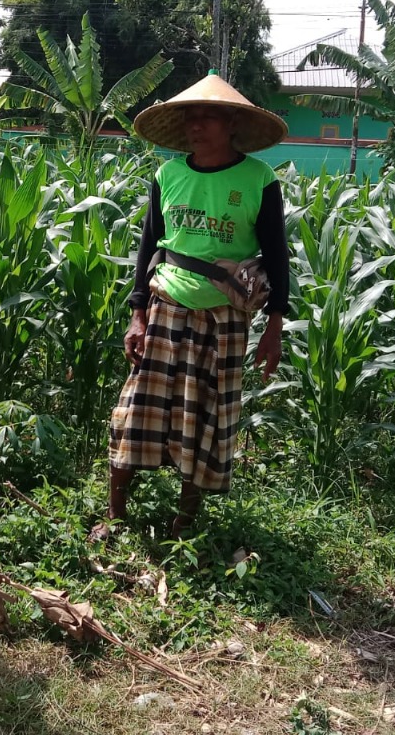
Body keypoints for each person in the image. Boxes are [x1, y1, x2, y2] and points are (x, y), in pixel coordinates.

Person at [94, 70, 291, 541]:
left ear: (231, 127)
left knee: (206, 415)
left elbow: (276, 252)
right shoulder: (168, 174)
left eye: (208, 117)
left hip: (225, 316)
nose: (196, 126)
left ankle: (184, 522)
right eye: (190, 117)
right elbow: (148, 247)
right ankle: (115, 513)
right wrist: (137, 313)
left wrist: (274, 325)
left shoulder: (259, 179)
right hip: (167, 306)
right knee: (135, 408)